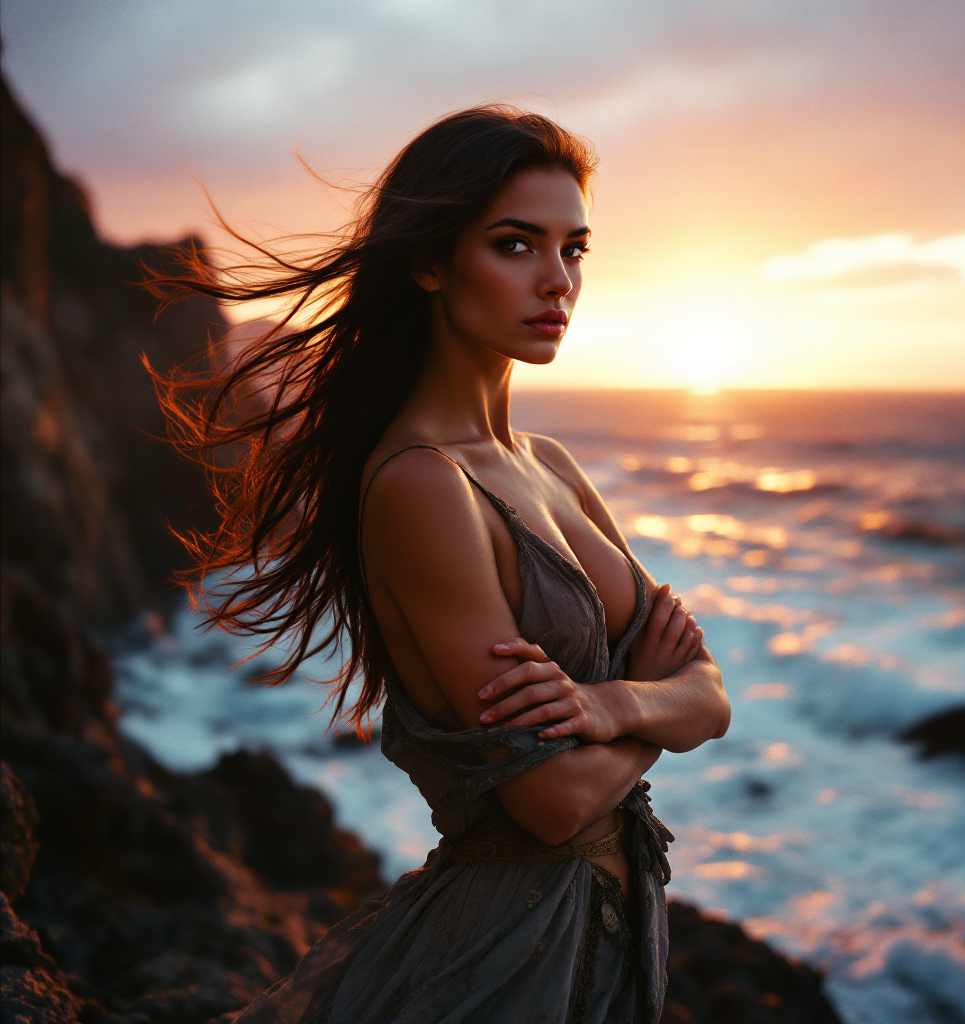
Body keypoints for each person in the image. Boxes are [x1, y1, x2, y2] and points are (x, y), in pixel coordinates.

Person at [146, 105, 730, 1024]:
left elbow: (715, 694)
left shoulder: (551, 466)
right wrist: (662, 706)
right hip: (502, 967)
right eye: (515, 245)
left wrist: (615, 703)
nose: (557, 281)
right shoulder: (423, 487)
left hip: (608, 941)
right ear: (428, 262)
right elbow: (547, 801)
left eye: (574, 249)